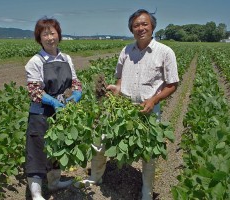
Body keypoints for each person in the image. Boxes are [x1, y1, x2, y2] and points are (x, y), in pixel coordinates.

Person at [75, 9, 179, 200]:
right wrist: (117, 88)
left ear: (152, 26)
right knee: (100, 142)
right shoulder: (126, 51)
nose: (140, 28)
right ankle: (95, 178)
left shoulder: (165, 52)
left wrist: (154, 100)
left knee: (148, 153)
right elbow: (121, 78)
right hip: (122, 109)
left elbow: (172, 84)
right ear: (131, 29)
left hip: (148, 109)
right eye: (136, 25)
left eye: (144, 24)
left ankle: (146, 191)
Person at [24, 17, 82, 200]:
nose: (50, 37)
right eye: (45, 34)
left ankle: (54, 183)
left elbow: (75, 81)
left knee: (58, 146)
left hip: (61, 111)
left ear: (59, 35)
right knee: (37, 149)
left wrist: (78, 92)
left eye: (53, 33)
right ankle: (36, 193)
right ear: (39, 38)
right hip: (41, 111)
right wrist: (52, 101)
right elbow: (33, 91)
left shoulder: (66, 58)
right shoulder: (35, 61)